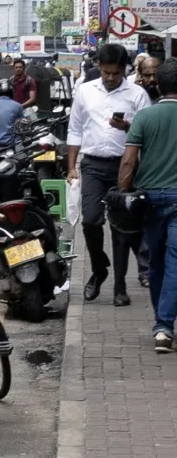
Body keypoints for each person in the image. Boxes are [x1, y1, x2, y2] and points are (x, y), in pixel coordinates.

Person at [68, 42, 153, 306]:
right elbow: (75, 130)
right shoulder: (84, 92)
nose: (110, 78)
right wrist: (71, 166)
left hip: (124, 168)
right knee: (90, 221)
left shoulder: (137, 95)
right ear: (99, 68)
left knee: (122, 231)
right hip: (92, 164)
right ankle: (99, 268)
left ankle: (119, 287)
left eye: (115, 73)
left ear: (124, 70)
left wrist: (127, 125)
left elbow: (146, 133)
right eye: (106, 72)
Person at [121, 59, 177, 352]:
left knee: (155, 263)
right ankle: (164, 327)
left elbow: (129, 160)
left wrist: (122, 192)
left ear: (157, 84)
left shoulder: (144, 117)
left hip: (151, 199)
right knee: (174, 263)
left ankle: (163, 325)